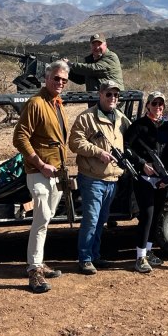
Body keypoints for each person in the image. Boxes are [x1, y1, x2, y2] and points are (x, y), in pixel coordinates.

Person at [12, 60, 70, 292]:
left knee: (45, 220)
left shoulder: (57, 105)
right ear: (46, 78)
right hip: (39, 171)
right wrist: (40, 163)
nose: (60, 83)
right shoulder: (36, 103)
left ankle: (38, 262)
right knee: (42, 217)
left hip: (55, 171)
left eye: (64, 80)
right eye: (56, 78)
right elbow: (20, 137)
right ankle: (34, 270)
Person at [68, 80, 130, 275]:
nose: (112, 98)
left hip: (113, 178)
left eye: (116, 95)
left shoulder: (121, 118)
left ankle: (95, 255)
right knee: (91, 219)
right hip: (92, 178)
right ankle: (85, 258)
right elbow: (75, 142)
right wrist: (97, 152)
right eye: (108, 94)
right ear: (100, 94)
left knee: (102, 219)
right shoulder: (87, 118)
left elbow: (133, 136)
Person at [124, 91, 168, 273]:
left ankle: (148, 252)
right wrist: (142, 165)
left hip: (161, 180)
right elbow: (126, 147)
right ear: (148, 105)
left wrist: (166, 176)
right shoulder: (138, 126)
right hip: (144, 179)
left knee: (156, 217)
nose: (157, 107)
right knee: (146, 216)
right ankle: (140, 257)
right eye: (154, 104)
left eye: (160, 104)